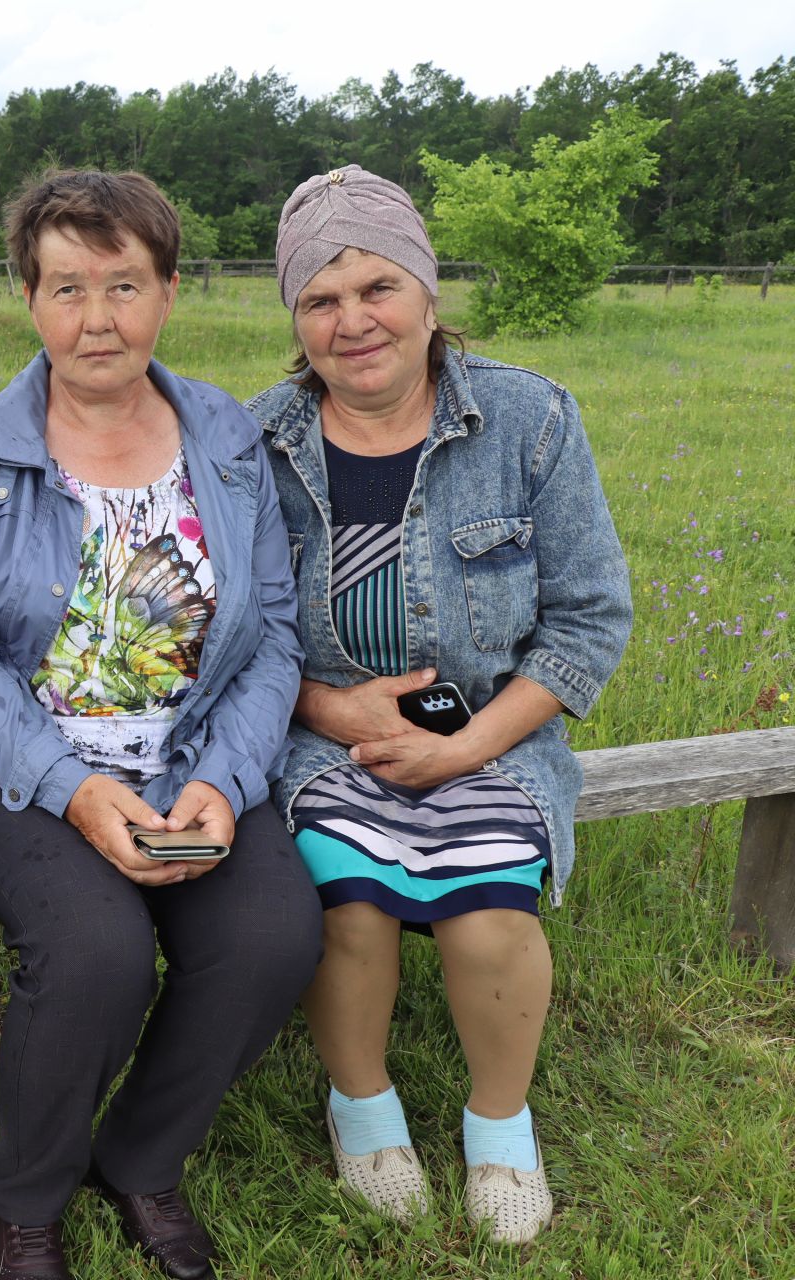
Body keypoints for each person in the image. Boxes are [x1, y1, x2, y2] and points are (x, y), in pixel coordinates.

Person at [0, 170, 324, 1280]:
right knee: (96, 947)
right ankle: (25, 1203)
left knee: (270, 935)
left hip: (184, 757)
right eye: (69, 286)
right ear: (30, 299)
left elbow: (273, 633)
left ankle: (140, 1157)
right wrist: (77, 789)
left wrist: (226, 783)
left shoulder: (228, 437)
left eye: (125, 284)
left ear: (170, 291)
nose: (98, 317)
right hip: (10, 766)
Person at [247, 165, 633, 1244]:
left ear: (425, 290)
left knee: (489, 918)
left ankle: (499, 1121)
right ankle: (363, 1110)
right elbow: (229, 635)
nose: (353, 319)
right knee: (350, 904)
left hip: (497, 739)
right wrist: (332, 713)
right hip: (329, 743)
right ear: (296, 318)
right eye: (321, 300)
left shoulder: (529, 418)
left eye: (377, 286)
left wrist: (468, 749)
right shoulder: (258, 440)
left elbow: (590, 620)